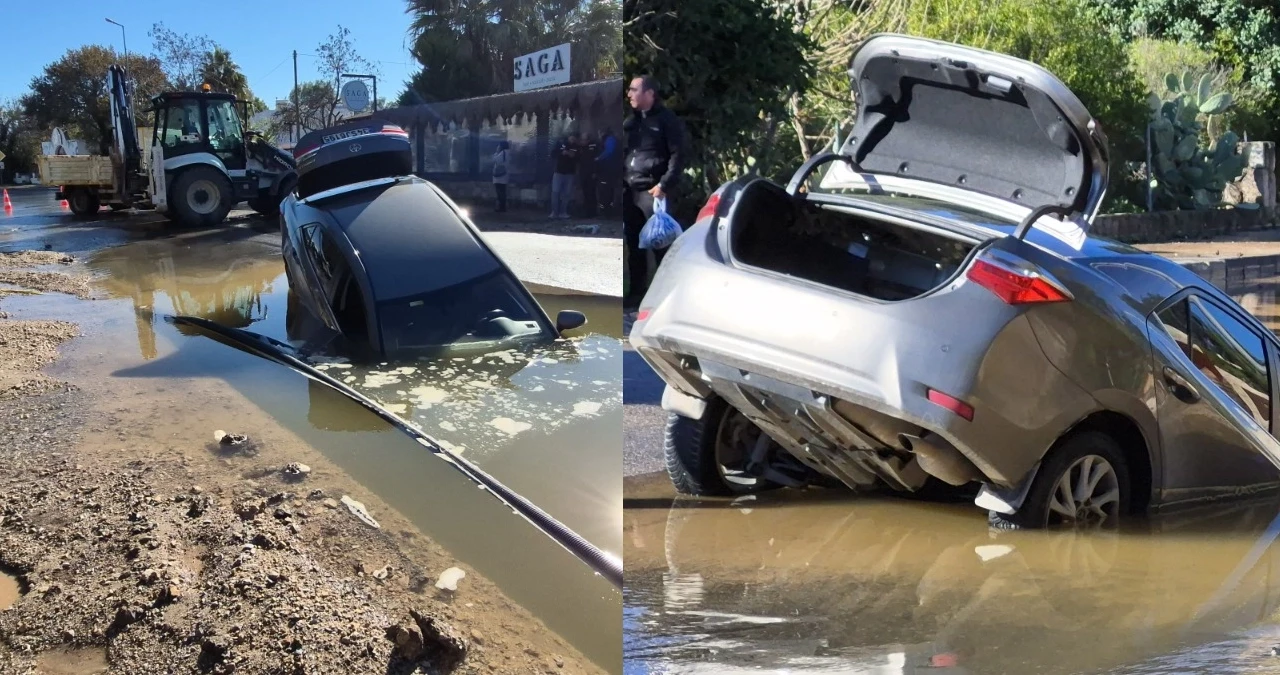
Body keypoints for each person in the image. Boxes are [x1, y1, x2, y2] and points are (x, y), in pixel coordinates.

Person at [623, 75, 685, 306]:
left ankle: (667, 296)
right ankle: (637, 294)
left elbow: (678, 156)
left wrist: (664, 185)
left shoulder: (666, 121)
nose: (628, 94)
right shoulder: (632, 122)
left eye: (633, 90)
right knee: (634, 243)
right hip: (630, 191)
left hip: (654, 191)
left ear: (649, 94)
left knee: (661, 244)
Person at [550, 132, 580, 219]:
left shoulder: (576, 147)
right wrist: (562, 153)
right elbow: (553, 154)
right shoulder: (560, 143)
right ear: (569, 137)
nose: (572, 140)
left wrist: (573, 155)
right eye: (571, 138)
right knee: (555, 192)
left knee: (566, 194)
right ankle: (554, 212)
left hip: (570, 173)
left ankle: (563, 212)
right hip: (558, 172)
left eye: (574, 138)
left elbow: (579, 158)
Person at [595, 127, 620, 214]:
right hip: (608, 169)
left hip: (608, 169)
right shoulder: (609, 140)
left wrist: (599, 158)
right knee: (607, 190)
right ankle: (606, 209)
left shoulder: (610, 139)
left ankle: (606, 211)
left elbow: (609, 151)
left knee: (606, 190)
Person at [578, 131, 601, 218]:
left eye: (584, 139)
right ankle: (587, 212)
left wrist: (595, 172)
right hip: (583, 173)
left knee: (591, 193)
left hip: (591, 174)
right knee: (586, 193)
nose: (582, 141)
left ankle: (593, 212)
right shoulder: (581, 148)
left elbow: (596, 160)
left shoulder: (593, 147)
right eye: (582, 139)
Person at [491, 140, 511, 213]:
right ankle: (502, 206)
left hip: (500, 176)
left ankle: (501, 207)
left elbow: (495, 160)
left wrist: (496, 152)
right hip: (504, 174)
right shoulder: (508, 152)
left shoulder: (502, 153)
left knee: (500, 192)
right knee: (503, 191)